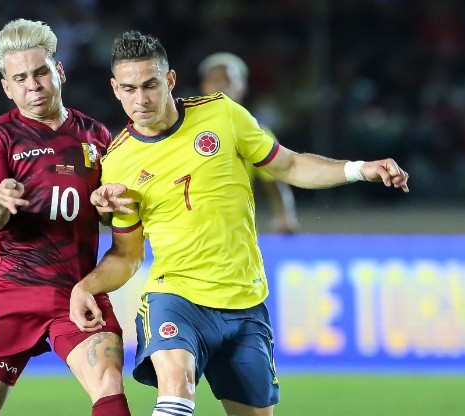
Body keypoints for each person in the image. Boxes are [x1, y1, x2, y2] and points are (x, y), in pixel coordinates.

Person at [69, 31, 409, 416]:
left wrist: (360, 169)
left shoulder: (223, 114)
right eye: (129, 88)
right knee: (176, 383)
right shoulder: (118, 163)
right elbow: (127, 256)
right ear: (115, 89)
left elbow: (291, 165)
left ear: (170, 80)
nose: (141, 99)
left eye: (150, 85)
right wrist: (87, 286)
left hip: (244, 302)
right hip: (176, 297)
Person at [0, 19, 132, 416]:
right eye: (20, 78)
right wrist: (0, 201)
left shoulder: (96, 136)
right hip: (14, 289)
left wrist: (107, 205)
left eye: (40, 72)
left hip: (78, 288)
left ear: (59, 72)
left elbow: (109, 213)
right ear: (7, 87)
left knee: (109, 380)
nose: (33, 85)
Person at [199, 52, 299, 234]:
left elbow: (275, 179)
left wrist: (285, 215)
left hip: (236, 233)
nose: (221, 86)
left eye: (228, 80)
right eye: (214, 80)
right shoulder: (184, 129)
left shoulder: (257, 133)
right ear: (204, 86)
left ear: (243, 86)